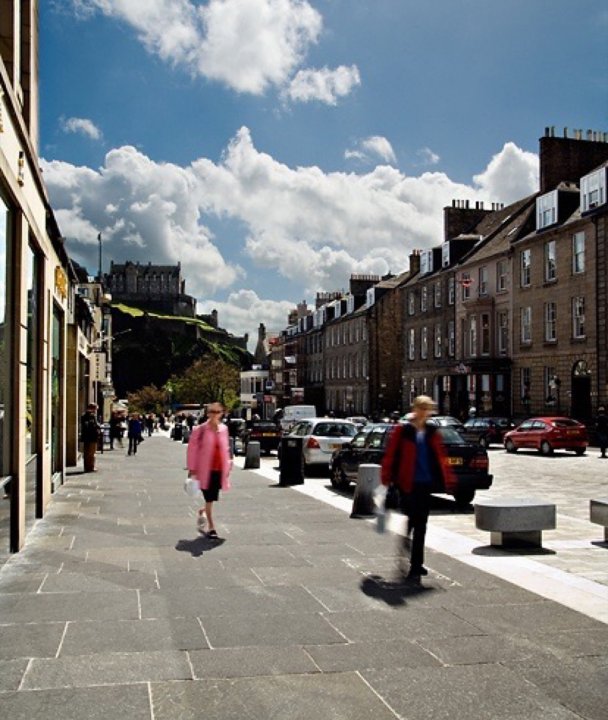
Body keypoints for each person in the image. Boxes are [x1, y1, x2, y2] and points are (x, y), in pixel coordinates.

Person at [381, 395, 455, 581]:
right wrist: (386, 478)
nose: (425, 413)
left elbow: (440, 456)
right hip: (407, 483)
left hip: (425, 483)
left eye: (428, 409)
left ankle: (416, 563)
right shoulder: (403, 430)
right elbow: (390, 455)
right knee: (415, 520)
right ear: (415, 409)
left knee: (421, 524)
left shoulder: (431, 431)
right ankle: (408, 546)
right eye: (422, 408)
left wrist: (448, 480)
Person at [187, 401, 232, 540]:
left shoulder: (224, 429)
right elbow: (192, 450)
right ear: (207, 413)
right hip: (205, 469)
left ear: (222, 413)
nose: (214, 414)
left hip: (219, 469)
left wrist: (229, 464)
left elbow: (226, 449)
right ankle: (212, 528)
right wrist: (192, 469)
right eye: (212, 411)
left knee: (211, 498)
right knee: (209, 498)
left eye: (218, 412)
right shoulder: (199, 430)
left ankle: (202, 512)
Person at [80, 403, 101, 472]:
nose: (96, 411)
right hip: (92, 437)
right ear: (93, 409)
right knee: (92, 453)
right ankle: (91, 467)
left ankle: (86, 467)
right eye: (95, 409)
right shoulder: (92, 416)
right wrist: (98, 426)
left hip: (86, 437)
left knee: (86, 453)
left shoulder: (83, 416)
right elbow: (95, 425)